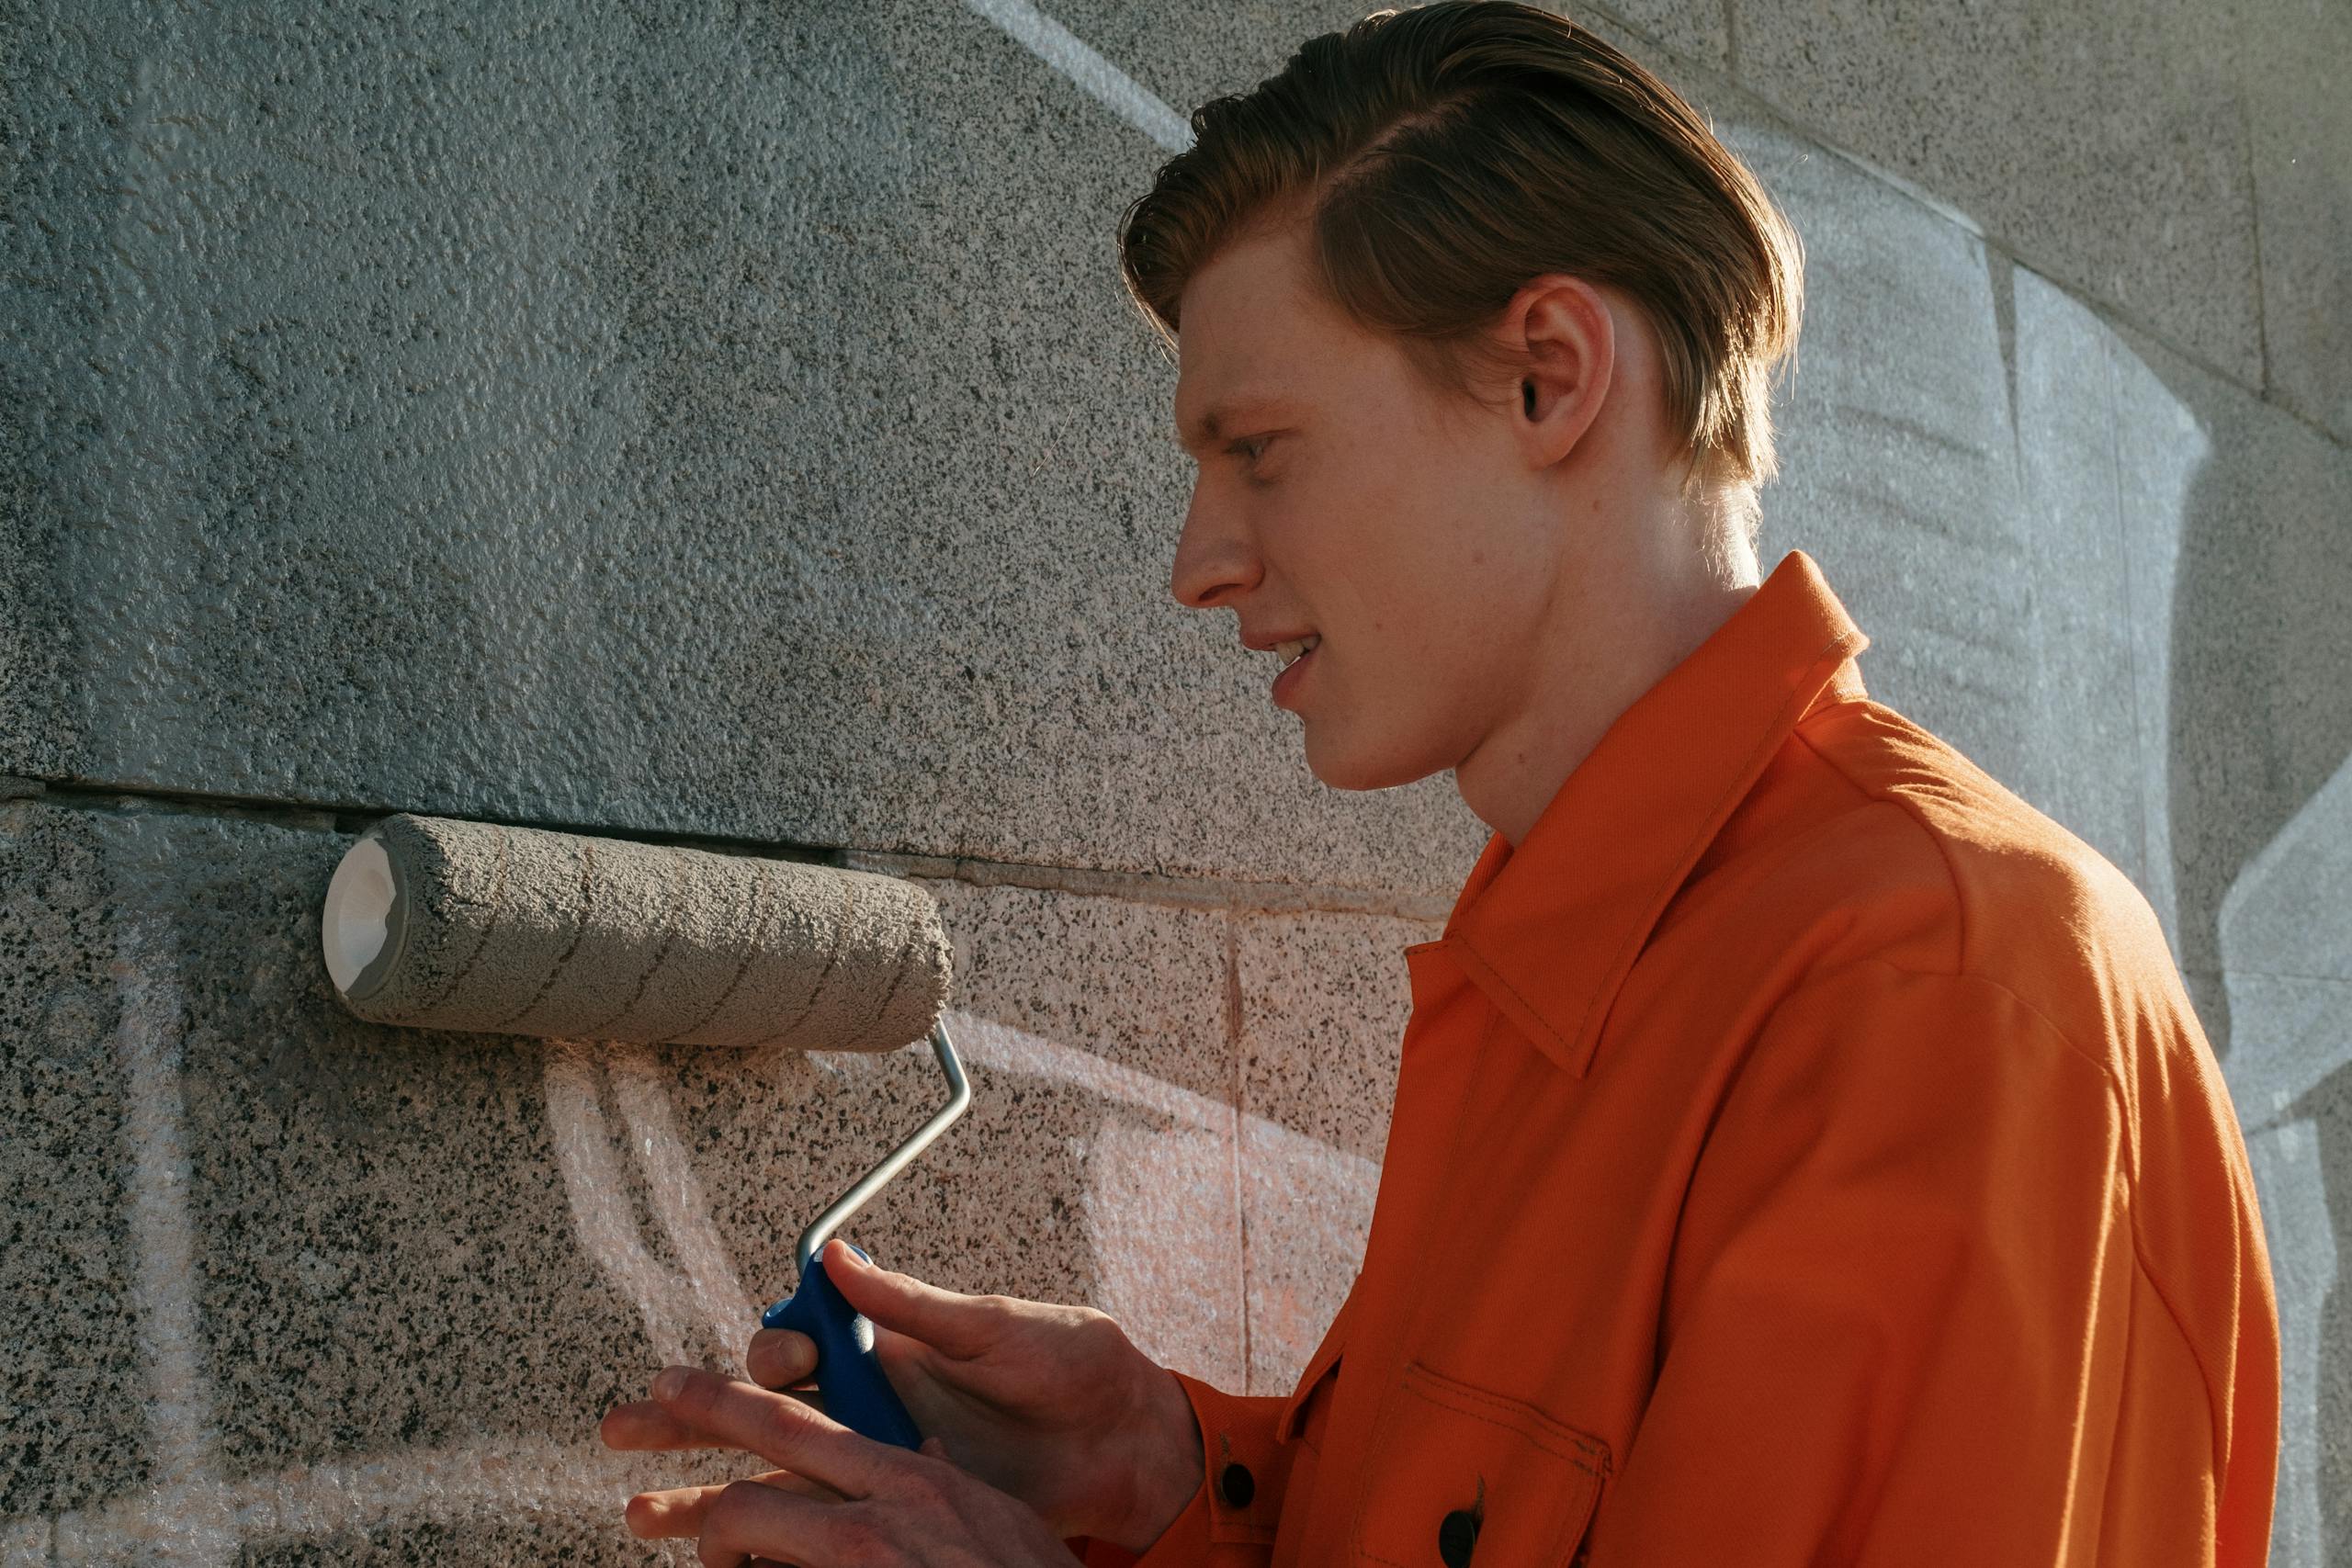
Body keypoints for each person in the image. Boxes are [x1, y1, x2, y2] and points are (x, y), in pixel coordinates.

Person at [599, 4, 2282, 1562]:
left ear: (1550, 373)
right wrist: (1176, 1473)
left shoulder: (1931, 982)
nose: (1198, 561)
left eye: (1259, 452)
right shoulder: (1572, 944)